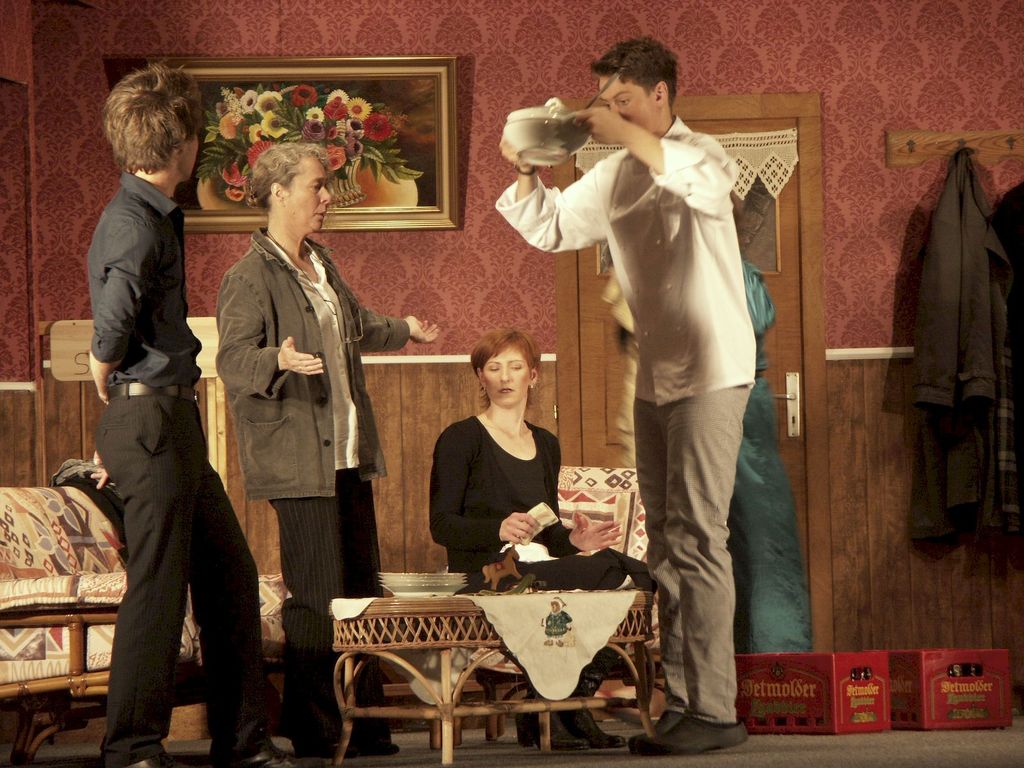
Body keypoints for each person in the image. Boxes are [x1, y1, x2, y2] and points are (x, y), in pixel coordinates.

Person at [495, 37, 755, 756]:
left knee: (700, 539)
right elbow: (551, 227)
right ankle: (685, 704)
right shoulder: (613, 177)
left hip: (713, 372)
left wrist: (621, 131)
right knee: (666, 543)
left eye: (624, 100)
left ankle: (715, 709)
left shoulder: (700, 154)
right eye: (605, 102)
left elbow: (695, 180)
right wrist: (527, 169)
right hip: (656, 376)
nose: (609, 113)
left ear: (660, 94)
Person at [87, 63, 293, 768]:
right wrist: (102, 361)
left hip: (171, 421)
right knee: (158, 583)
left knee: (229, 573)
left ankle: (242, 741)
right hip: (148, 419)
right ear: (181, 143)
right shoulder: (133, 221)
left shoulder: (151, 214)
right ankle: (132, 748)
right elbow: (116, 312)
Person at [215, 141, 439, 761]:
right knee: (317, 600)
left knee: (361, 592)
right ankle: (315, 727)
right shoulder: (248, 277)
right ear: (279, 192)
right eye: (317, 185)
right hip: (297, 463)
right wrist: (277, 359)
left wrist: (407, 329)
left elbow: (357, 323)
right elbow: (231, 360)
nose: (327, 197)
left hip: (346, 454)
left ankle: (364, 723)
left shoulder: (320, 263)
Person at [429, 328, 653, 751]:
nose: (505, 377)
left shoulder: (546, 444)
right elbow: (441, 525)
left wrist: (576, 539)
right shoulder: (461, 438)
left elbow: (548, 532)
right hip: (488, 574)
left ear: (532, 375)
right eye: (494, 367)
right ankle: (562, 707)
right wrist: (496, 528)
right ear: (480, 376)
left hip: (538, 567)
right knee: (616, 568)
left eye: (515, 367)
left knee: (634, 576)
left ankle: (562, 699)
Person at [728, 261, 812, 653]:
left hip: (740, 403)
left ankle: (776, 659)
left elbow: (754, 320)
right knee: (715, 543)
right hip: (704, 407)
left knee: (760, 537)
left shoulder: (738, 271)